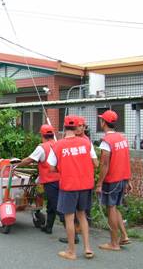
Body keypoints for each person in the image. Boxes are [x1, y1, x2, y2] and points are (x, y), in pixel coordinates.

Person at [48, 115, 98, 260]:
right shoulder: (86, 143)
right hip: (85, 185)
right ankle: (88, 248)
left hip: (69, 186)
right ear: (76, 127)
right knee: (82, 215)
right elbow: (95, 163)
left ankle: (71, 251)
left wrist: (63, 167)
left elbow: (51, 168)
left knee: (69, 218)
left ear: (64, 127)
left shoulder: (57, 145)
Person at [15, 124, 63, 234]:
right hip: (61, 179)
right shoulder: (58, 144)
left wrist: (16, 164)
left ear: (42, 135)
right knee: (52, 204)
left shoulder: (42, 147)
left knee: (57, 206)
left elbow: (29, 160)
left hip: (50, 180)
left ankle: (72, 231)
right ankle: (48, 227)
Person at [96, 110, 133, 251]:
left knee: (111, 208)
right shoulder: (122, 138)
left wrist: (99, 183)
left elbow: (104, 164)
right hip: (123, 178)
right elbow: (125, 159)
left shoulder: (107, 141)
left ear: (103, 122)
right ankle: (124, 236)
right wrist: (128, 179)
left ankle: (113, 243)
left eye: (101, 120)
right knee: (115, 207)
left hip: (112, 179)